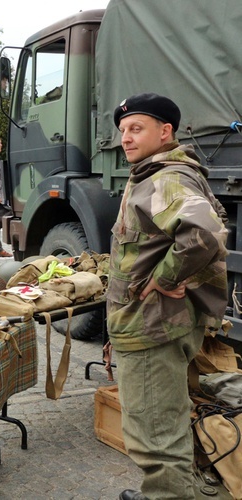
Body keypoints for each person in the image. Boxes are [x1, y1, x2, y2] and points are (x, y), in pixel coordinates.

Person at [106, 93, 228, 500]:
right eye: (122, 130)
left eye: (136, 128)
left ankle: (169, 494)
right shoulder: (156, 172)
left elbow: (206, 232)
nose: (125, 137)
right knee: (167, 425)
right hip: (156, 322)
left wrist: (166, 276)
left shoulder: (164, 177)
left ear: (165, 132)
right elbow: (216, 218)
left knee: (156, 440)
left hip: (151, 329)